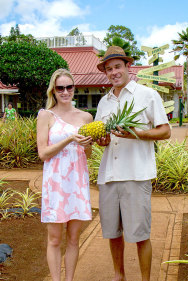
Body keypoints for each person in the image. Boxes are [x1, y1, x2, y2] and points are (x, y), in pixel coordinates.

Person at [94, 46, 171, 281]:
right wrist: (102, 140)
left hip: (136, 175)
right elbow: (102, 141)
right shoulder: (103, 103)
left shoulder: (147, 95)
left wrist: (137, 133)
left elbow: (165, 131)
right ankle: (120, 276)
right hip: (109, 175)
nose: (113, 72)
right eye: (109, 69)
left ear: (128, 67)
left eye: (117, 66)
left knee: (140, 234)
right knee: (113, 233)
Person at [36, 69, 94, 281]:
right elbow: (43, 153)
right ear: (54, 90)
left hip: (77, 183)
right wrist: (69, 139)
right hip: (56, 184)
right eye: (60, 88)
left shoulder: (85, 117)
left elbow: (87, 154)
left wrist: (87, 145)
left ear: (74, 89)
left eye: (69, 87)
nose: (65, 91)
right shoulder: (46, 115)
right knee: (54, 238)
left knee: (73, 238)